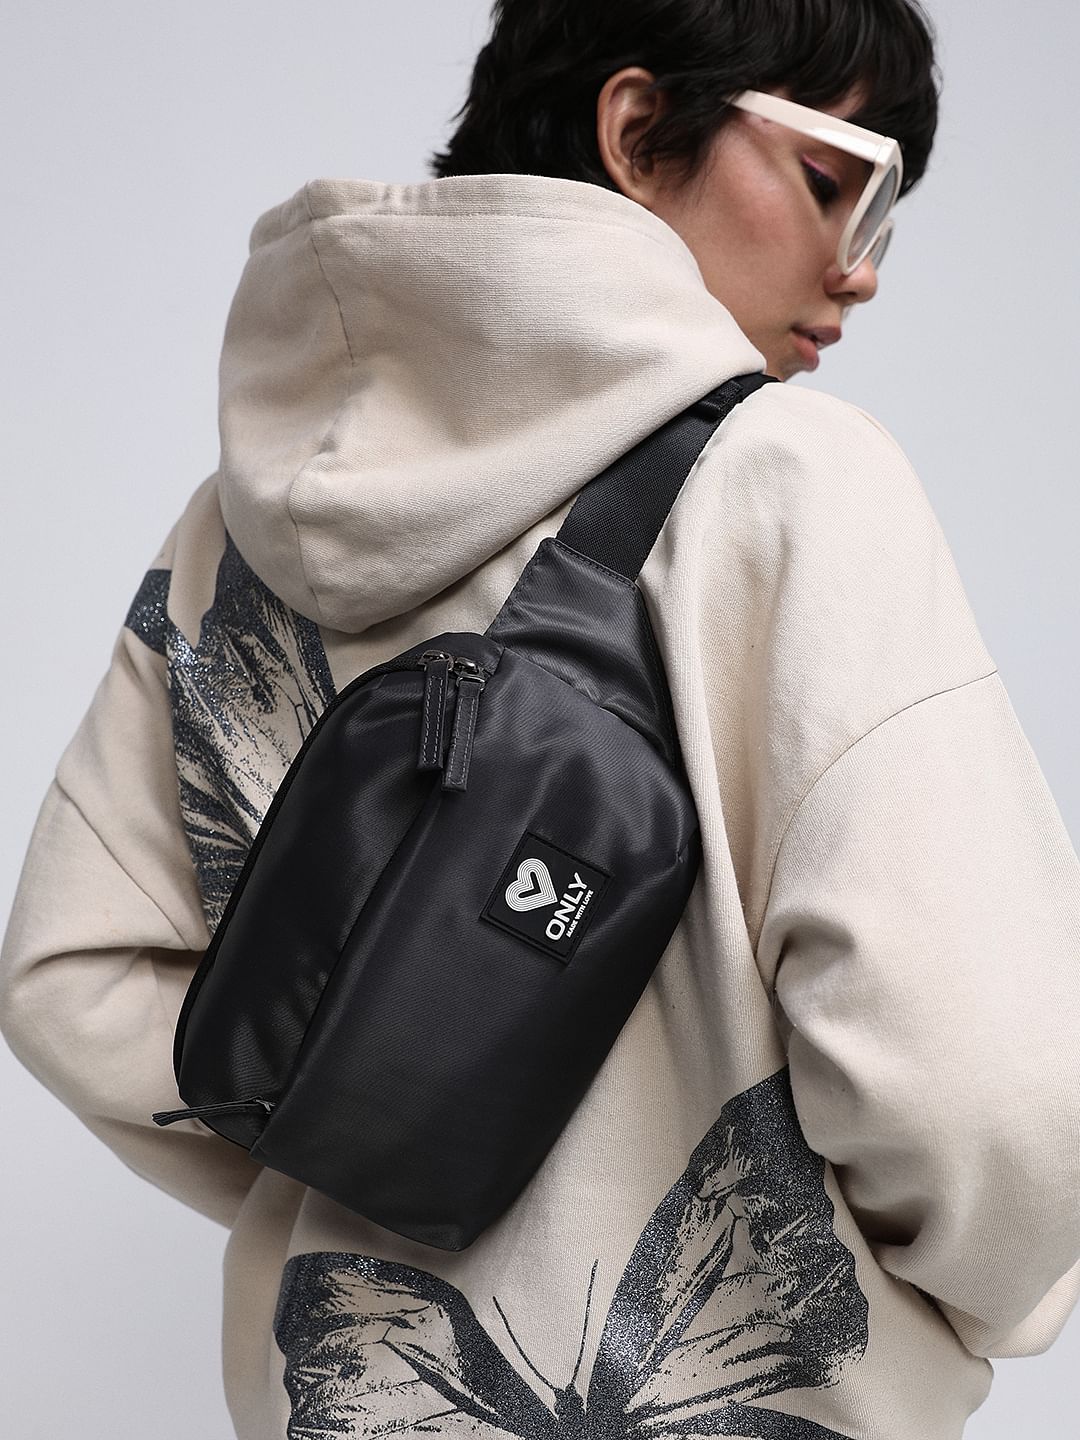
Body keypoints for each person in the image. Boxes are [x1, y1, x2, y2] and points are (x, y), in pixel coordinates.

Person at [2, 0, 1079, 1434]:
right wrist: (972, 1307)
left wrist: (365, 1141)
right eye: (836, 180)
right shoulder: (790, 482)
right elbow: (994, 1095)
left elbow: (73, 974)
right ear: (638, 130)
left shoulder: (231, 533)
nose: (860, 266)